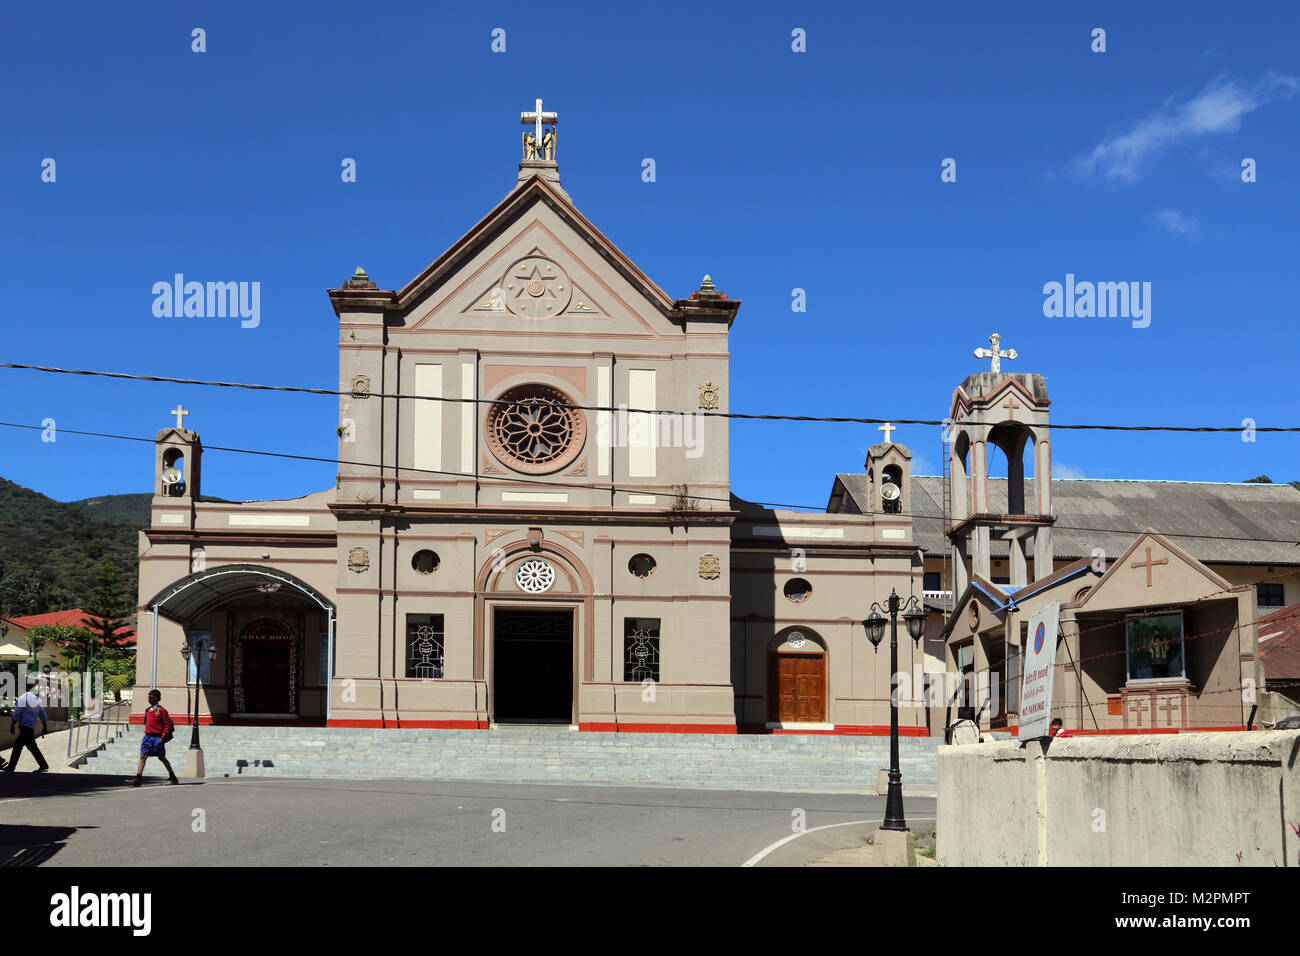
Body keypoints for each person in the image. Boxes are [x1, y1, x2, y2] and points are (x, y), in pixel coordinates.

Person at [129, 689, 179, 786]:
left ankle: (172, 777)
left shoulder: (162, 710)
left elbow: (167, 725)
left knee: (161, 757)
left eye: (152, 698)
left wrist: (162, 738)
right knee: (143, 756)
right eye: (149, 697)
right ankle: (138, 778)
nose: (150, 699)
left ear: (158, 699)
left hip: (157, 738)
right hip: (147, 737)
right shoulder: (147, 710)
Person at [5, 677, 50, 773]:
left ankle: (11, 767)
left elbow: (17, 713)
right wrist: (45, 727)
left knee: (19, 746)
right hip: (31, 726)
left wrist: (12, 725)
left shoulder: (22, 698)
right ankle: (43, 765)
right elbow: (43, 714)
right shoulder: (37, 700)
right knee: (30, 746)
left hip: (24, 726)